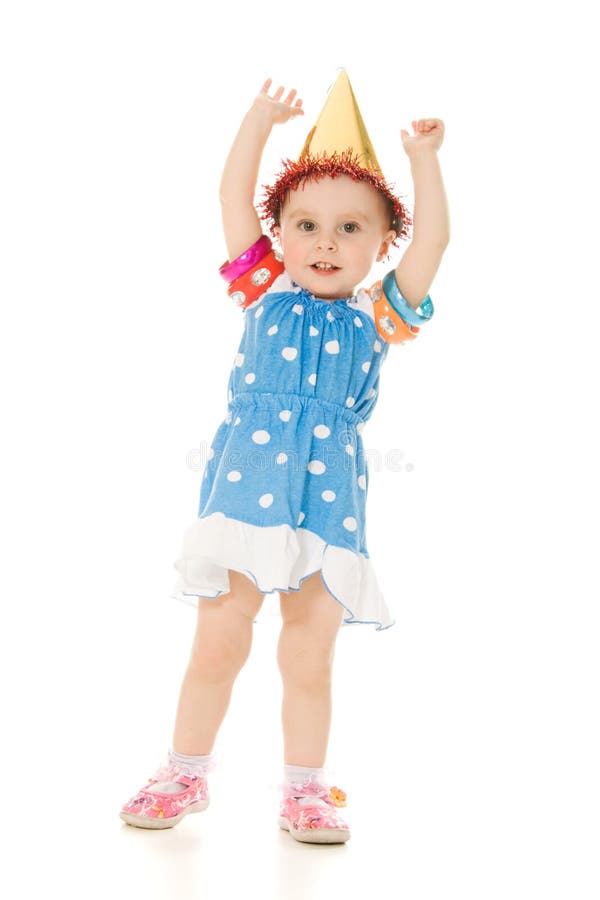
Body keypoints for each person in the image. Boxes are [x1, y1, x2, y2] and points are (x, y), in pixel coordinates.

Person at [119, 74, 450, 843]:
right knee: (218, 644)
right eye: (305, 224)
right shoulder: (263, 290)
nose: (325, 243)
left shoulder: (377, 316)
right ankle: (183, 772)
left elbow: (434, 242)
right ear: (281, 235)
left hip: (327, 503)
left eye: (348, 229)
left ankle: (305, 791)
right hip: (245, 496)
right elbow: (233, 198)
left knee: (308, 655)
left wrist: (423, 159)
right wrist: (260, 120)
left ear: (378, 243)